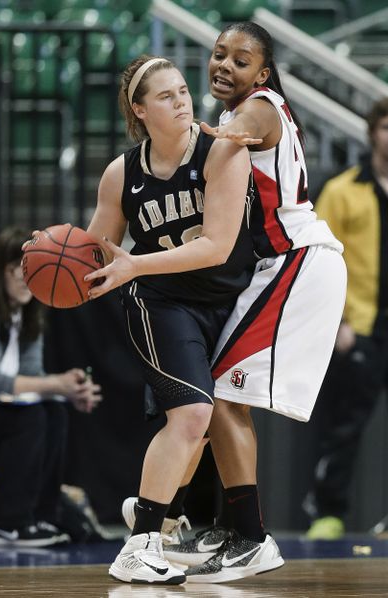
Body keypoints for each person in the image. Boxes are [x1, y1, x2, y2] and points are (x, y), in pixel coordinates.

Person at [120, 21, 348, 583]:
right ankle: (191, 515)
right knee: (211, 397)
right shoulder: (228, 120)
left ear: (263, 74)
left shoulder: (260, 108)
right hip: (273, 268)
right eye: (219, 54)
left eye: (240, 61)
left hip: (297, 259)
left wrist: (204, 132)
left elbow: (247, 127)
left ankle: (243, 535)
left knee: (217, 395)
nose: (224, 65)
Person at [79, 53, 282, 585]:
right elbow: (97, 253)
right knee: (193, 415)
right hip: (160, 302)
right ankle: (141, 543)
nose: (183, 101)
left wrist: (133, 261)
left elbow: (216, 247)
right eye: (166, 96)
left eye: (184, 91)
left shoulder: (222, 153)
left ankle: (159, 517)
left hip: (226, 301)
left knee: (214, 422)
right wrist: (56, 253)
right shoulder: (122, 173)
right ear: (140, 110)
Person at [302, 97, 388, 540]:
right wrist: (337, 322)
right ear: (372, 132)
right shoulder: (343, 189)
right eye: (386, 126)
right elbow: (319, 260)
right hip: (361, 327)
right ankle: (327, 513)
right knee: (345, 427)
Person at [0, 226, 102, 547]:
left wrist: (66, 391)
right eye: (16, 270)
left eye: (28, 269)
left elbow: (31, 377)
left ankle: (40, 516)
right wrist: (56, 384)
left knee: (53, 412)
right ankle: (6, 522)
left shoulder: (27, 315)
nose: (25, 278)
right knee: (29, 418)